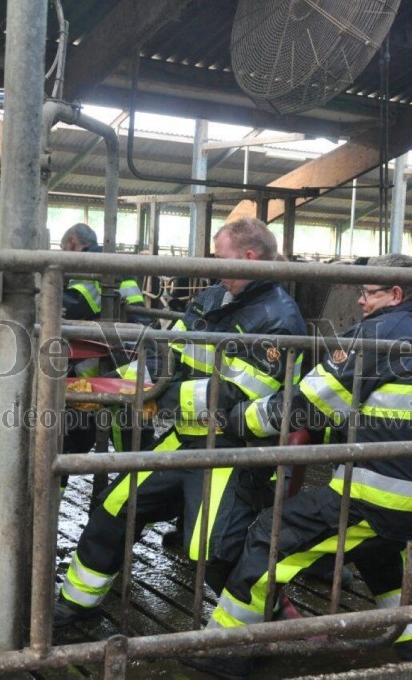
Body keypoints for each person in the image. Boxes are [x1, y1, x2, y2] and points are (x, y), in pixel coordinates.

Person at [184, 254, 412, 679]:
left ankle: (225, 651)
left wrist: (239, 420)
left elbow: (305, 405)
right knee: (379, 554)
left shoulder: (378, 335)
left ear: (395, 294)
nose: (360, 303)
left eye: (368, 293)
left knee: (269, 537)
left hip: (383, 492)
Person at [53, 217, 307, 626]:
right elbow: (164, 354)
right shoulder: (211, 299)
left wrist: (158, 398)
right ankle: (75, 606)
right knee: (115, 508)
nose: (213, 267)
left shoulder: (278, 319)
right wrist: (110, 388)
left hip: (231, 449)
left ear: (248, 258)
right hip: (186, 438)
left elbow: (240, 401)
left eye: (220, 257)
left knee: (215, 551)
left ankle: (270, 619)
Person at [60, 222, 156, 327]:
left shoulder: (88, 262)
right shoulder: (106, 256)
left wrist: (49, 290)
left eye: (64, 249)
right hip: (137, 326)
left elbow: (76, 306)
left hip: (127, 336)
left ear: (72, 242)